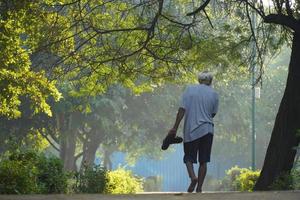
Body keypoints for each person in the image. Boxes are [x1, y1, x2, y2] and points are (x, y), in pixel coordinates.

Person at [168, 71, 219, 193]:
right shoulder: (214, 93)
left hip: (191, 130)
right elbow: (213, 113)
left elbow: (181, 110)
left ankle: (193, 177)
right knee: (203, 160)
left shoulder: (189, 90)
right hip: (207, 129)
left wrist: (175, 127)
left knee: (189, 158)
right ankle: (199, 188)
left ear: (199, 80)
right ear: (210, 81)